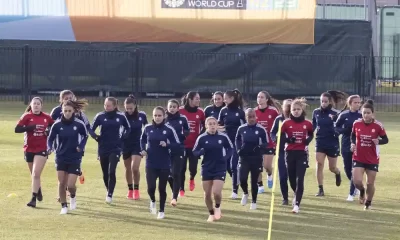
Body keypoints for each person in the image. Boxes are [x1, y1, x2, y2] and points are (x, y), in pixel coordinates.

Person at [47, 99, 88, 214]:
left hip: (75, 157)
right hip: (60, 156)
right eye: (65, 111)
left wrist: (81, 146)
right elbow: (50, 139)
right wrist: (50, 147)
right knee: (61, 183)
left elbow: (85, 136)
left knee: (70, 185)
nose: (67, 113)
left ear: (74, 111)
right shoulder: (57, 124)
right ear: (62, 111)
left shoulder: (79, 124)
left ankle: (73, 197)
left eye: (70, 111)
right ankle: (64, 206)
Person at [140, 106, 181, 219]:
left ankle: (161, 210)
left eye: (159, 115)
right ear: (152, 116)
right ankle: (152, 200)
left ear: (164, 116)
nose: (157, 118)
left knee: (162, 188)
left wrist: (167, 144)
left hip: (164, 163)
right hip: (151, 162)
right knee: (151, 188)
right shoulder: (147, 128)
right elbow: (142, 140)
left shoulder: (169, 129)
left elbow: (177, 144)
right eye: (155, 115)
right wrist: (143, 149)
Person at [15, 97, 54, 208]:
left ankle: (33, 199)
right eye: (34, 104)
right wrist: (29, 127)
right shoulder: (26, 116)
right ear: (31, 105)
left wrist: (48, 131)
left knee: (36, 174)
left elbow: (54, 126)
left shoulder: (47, 117)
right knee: (34, 175)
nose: (36, 105)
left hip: (42, 148)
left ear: (41, 105)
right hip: (29, 148)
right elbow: (17, 129)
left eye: (38, 104)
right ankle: (38, 190)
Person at [90, 97, 131, 204]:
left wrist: (122, 138)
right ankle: (109, 189)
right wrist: (96, 137)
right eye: (105, 105)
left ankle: (110, 194)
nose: (106, 107)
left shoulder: (121, 116)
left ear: (114, 106)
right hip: (103, 147)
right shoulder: (100, 116)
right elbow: (91, 129)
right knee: (105, 173)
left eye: (108, 105)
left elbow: (128, 128)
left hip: (116, 148)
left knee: (111, 171)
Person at [192, 117, 233, 222]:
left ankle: (218, 207)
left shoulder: (223, 137)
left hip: (220, 167)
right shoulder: (201, 138)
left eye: (214, 123)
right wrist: (200, 152)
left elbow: (231, 148)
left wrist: (225, 158)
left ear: (217, 125)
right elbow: (194, 151)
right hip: (206, 167)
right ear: (206, 126)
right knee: (207, 193)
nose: (212, 125)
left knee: (216, 192)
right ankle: (211, 213)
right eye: (210, 124)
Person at [351, 100, 388, 210]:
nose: (366, 115)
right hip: (358, 156)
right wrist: (353, 143)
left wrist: (379, 141)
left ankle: (368, 202)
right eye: (364, 113)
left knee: (370, 183)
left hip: (372, 158)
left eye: (368, 113)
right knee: (357, 181)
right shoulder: (356, 123)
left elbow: (386, 139)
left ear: (373, 114)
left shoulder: (378, 126)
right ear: (361, 113)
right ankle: (361, 191)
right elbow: (353, 135)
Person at [281, 98, 314, 214]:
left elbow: (311, 133)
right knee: (292, 179)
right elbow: (279, 136)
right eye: (294, 109)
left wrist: (308, 140)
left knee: (300, 179)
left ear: (302, 110)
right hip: (289, 153)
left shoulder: (307, 123)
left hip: (302, 153)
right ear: (290, 110)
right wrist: (288, 139)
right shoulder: (286, 123)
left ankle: (297, 204)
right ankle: (295, 193)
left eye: (298, 109)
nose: (296, 111)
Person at [312, 90, 347, 197]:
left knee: (332, 167)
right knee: (319, 164)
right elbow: (313, 126)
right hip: (320, 142)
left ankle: (337, 173)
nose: (323, 103)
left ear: (330, 102)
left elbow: (342, 127)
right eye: (322, 101)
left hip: (332, 143)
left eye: (325, 101)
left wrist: (337, 131)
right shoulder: (316, 112)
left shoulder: (336, 113)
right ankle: (320, 189)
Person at [236, 109, 268, 210]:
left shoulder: (261, 129)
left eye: (253, 116)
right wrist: (238, 149)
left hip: (256, 158)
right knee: (242, 179)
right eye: (249, 117)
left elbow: (266, 142)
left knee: (254, 180)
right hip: (244, 157)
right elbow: (237, 139)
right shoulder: (241, 128)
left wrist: (260, 147)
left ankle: (254, 201)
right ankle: (245, 193)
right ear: (246, 118)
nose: (252, 119)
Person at [218, 89, 245, 199]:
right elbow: (219, 125)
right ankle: (236, 179)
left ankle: (235, 190)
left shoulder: (240, 112)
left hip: (236, 142)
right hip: (225, 142)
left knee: (233, 166)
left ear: (232, 98)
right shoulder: (223, 111)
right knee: (226, 165)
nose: (224, 100)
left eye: (226, 98)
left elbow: (244, 128)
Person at [335, 95, 362, 201]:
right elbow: (336, 127)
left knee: (354, 169)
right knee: (347, 169)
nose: (358, 104)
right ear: (350, 103)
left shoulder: (361, 115)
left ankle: (351, 193)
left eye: (359, 102)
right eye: (355, 102)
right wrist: (343, 130)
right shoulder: (343, 115)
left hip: (358, 145)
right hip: (346, 144)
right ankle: (357, 186)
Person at [179, 91, 205, 196]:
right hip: (182, 145)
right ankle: (181, 188)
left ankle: (192, 178)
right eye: (196, 98)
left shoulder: (200, 112)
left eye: (199, 98)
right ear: (190, 99)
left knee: (193, 168)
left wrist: (200, 136)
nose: (199, 100)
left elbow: (205, 125)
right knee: (182, 167)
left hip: (194, 145)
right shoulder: (180, 110)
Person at [122, 95, 148, 200]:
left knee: (135, 168)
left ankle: (136, 190)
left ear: (135, 106)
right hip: (125, 145)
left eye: (131, 108)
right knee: (128, 169)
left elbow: (147, 128)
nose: (129, 110)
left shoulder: (142, 115)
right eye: (127, 108)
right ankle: (130, 189)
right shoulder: (122, 116)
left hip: (138, 144)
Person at [254, 91, 280, 193]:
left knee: (267, 166)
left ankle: (269, 175)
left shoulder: (273, 111)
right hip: (257, 143)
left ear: (266, 99)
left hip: (270, 142)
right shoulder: (254, 111)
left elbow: (278, 124)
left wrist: (276, 136)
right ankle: (260, 185)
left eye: (262, 97)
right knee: (257, 166)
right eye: (258, 97)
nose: (259, 99)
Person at [165, 99, 190, 206]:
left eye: (174, 107)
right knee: (167, 174)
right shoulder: (164, 118)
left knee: (176, 173)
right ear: (167, 107)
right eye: (170, 106)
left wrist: (183, 136)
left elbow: (187, 129)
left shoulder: (182, 118)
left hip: (179, 148)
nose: (172, 108)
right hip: (165, 150)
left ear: (178, 107)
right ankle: (175, 189)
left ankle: (174, 197)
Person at [270, 99, 292, 205]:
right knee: (283, 176)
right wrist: (276, 138)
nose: (288, 110)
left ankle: (297, 196)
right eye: (286, 107)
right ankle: (285, 198)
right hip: (282, 151)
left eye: (289, 107)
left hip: (295, 151)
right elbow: (273, 132)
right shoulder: (279, 119)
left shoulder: (296, 119)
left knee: (294, 176)